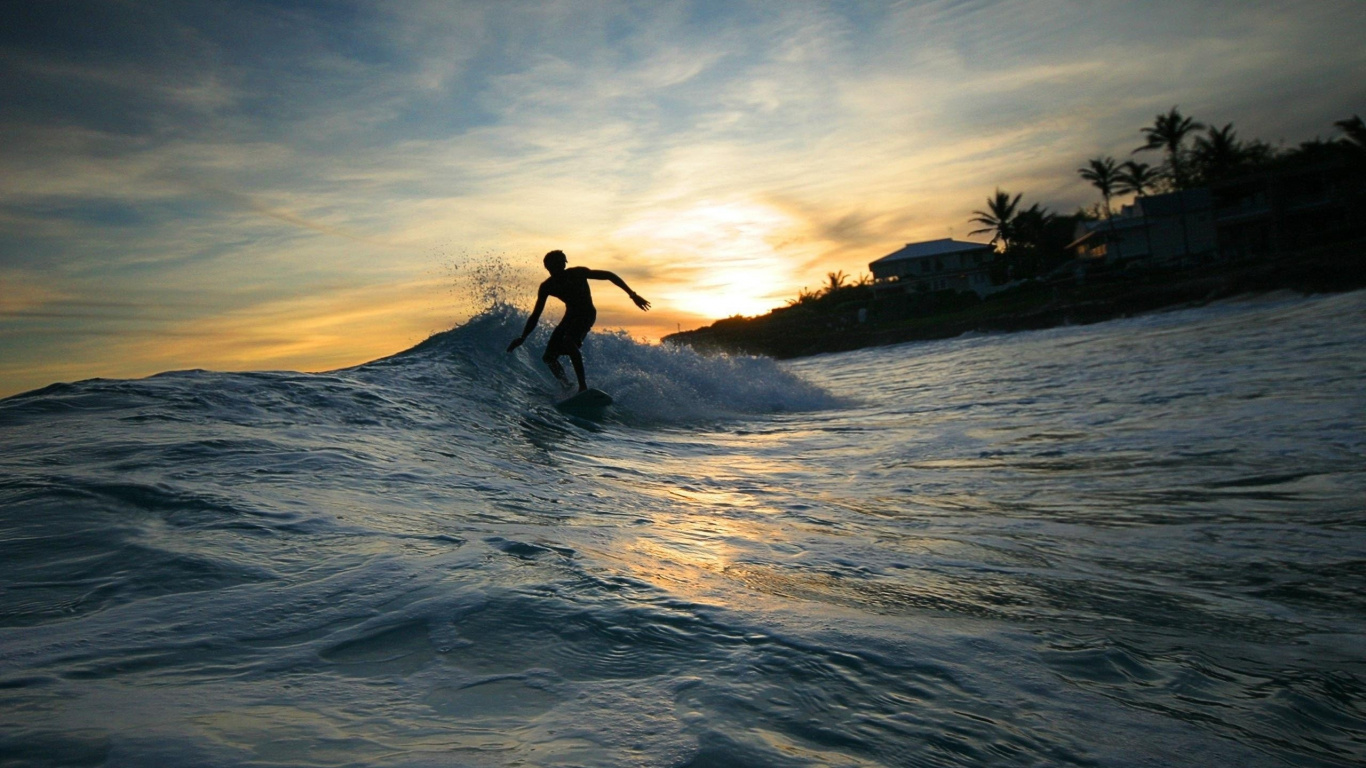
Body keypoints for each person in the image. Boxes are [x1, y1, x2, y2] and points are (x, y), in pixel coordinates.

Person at [507, 250, 650, 391]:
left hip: (587, 313)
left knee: (569, 341)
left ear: (563, 265)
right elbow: (536, 314)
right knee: (549, 358)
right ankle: (567, 385)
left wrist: (632, 295)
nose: (556, 269)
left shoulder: (577, 273)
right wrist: (523, 337)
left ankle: (583, 386)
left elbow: (608, 275)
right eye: (552, 267)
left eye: (559, 265)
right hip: (570, 316)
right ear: (547, 267)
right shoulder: (547, 286)